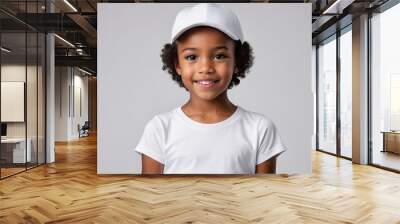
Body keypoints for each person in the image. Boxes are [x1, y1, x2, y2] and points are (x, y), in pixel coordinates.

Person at [134, 3, 286, 174]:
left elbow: (263, 195)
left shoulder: (259, 128)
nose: (205, 68)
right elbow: (150, 195)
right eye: (191, 57)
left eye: (219, 56)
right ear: (177, 65)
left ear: (237, 61)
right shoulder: (160, 128)